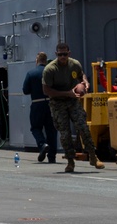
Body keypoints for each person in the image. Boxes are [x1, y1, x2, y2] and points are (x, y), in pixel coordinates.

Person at [42, 42, 105, 174]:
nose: (63, 57)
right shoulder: (50, 69)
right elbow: (46, 90)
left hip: (73, 100)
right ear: (56, 54)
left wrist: (85, 83)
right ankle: (70, 161)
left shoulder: (74, 64)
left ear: (69, 53)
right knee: (65, 134)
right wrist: (66, 93)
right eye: (60, 55)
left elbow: (81, 75)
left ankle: (93, 156)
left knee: (83, 127)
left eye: (65, 54)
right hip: (58, 102)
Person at [22, 52, 57, 163]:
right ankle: (52, 157)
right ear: (46, 61)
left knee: (36, 127)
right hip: (51, 103)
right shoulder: (51, 72)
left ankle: (42, 144)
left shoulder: (31, 73)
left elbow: (25, 90)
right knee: (51, 130)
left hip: (37, 103)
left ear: (37, 60)